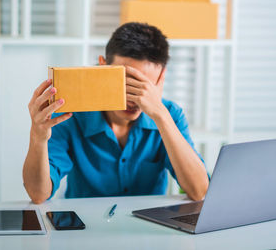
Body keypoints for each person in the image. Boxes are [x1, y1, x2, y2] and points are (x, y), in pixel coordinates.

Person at [23, 22, 209, 204]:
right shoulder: (69, 116)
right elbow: (38, 195)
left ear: (162, 77)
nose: (133, 99)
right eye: (125, 83)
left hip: (149, 229)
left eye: (144, 87)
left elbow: (199, 191)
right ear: (102, 66)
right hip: (86, 227)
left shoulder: (170, 114)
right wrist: (37, 138)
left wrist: (161, 116)